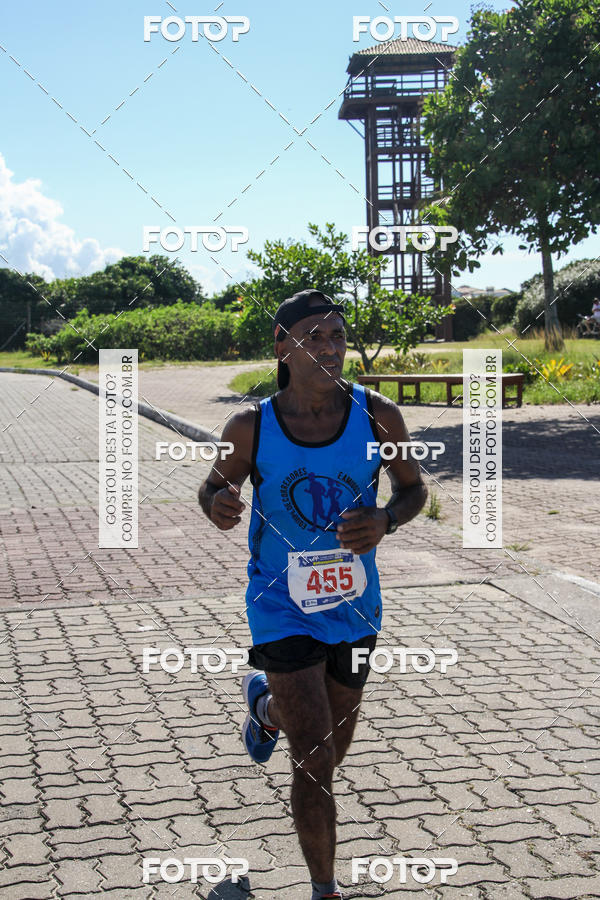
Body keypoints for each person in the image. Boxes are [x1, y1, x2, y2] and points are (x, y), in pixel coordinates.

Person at [198, 289, 427, 900]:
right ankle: (325, 889)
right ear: (282, 347)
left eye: (338, 336)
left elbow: (414, 490)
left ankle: (264, 708)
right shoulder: (251, 426)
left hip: (354, 607)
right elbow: (211, 488)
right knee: (315, 758)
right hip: (279, 604)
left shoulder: (377, 416)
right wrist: (218, 504)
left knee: (332, 748)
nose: (330, 348)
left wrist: (386, 519)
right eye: (314, 336)